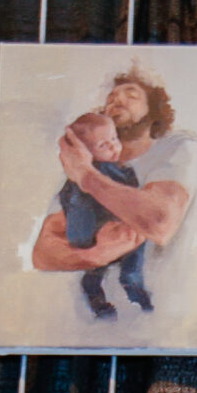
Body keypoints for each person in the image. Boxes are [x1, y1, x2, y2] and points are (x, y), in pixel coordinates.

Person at [34, 67, 195, 280]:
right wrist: (97, 255)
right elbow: (43, 253)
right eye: (111, 98)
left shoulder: (176, 147)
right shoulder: (90, 165)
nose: (117, 100)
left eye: (131, 95)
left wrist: (85, 176)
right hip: (89, 299)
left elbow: (159, 221)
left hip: (162, 298)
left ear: (154, 107)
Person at [55, 111, 172, 318]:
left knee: (121, 262)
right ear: (84, 153)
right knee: (110, 266)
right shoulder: (91, 174)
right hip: (100, 234)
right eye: (103, 145)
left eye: (114, 139)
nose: (113, 147)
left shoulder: (120, 168)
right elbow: (71, 205)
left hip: (118, 229)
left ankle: (129, 293)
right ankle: (124, 297)